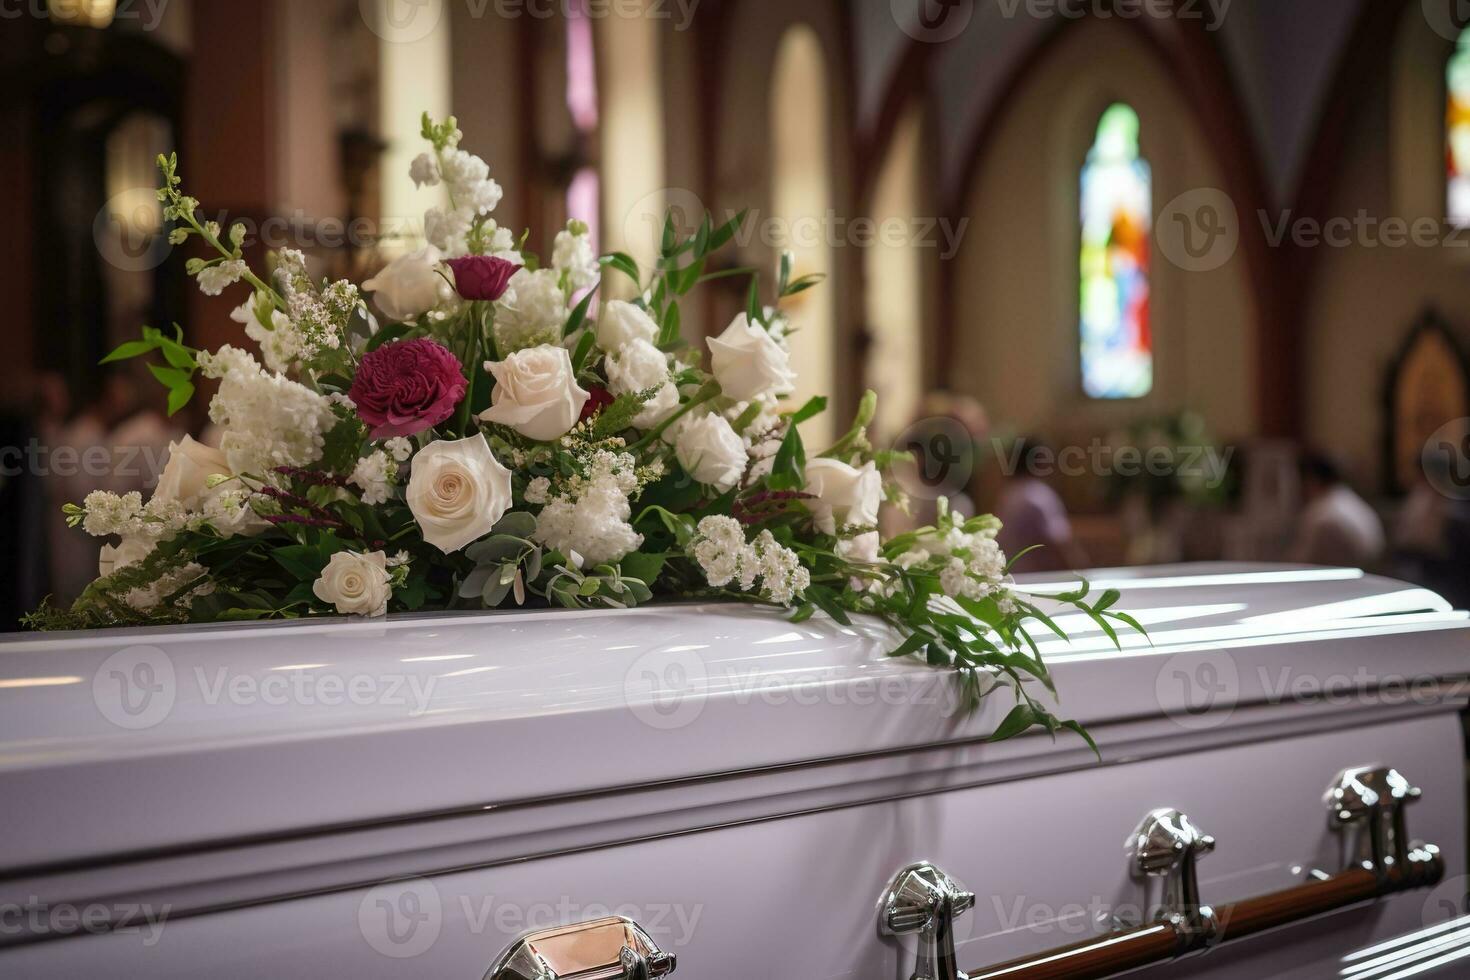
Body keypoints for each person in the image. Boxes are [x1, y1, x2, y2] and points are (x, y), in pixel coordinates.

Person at [995, 437, 1088, 573]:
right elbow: (1060, 544)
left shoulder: (1010, 494)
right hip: (1040, 581)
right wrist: (1082, 575)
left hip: (1014, 578)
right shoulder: (1038, 497)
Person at [1287, 450, 1385, 568]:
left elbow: (1299, 563)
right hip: (1367, 573)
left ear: (1311, 479)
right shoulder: (1347, 498)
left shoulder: (1322, 513)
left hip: (1343, 577)